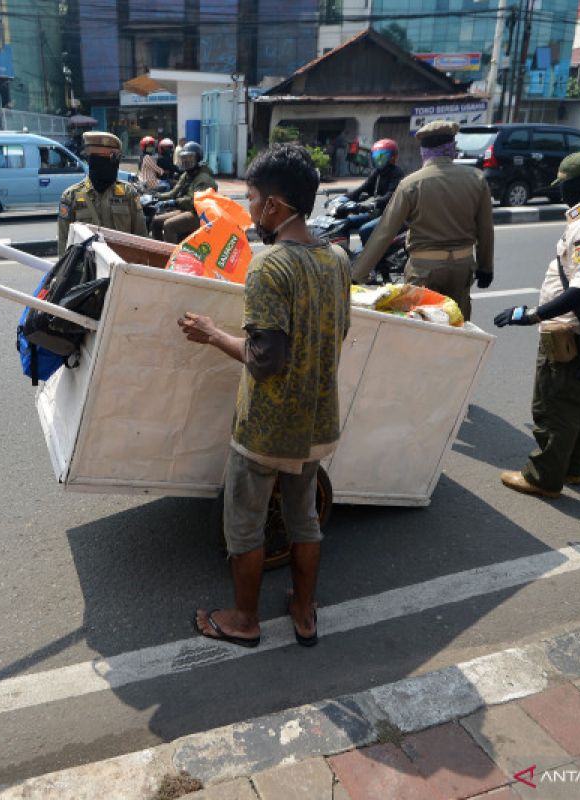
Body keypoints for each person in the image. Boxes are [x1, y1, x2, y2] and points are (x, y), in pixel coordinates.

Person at [177, 143, 352, 650]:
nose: (250, 210)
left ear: (274, 206)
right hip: (317, 423)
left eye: (252, 199)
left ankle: (244, 619)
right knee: (304, 520)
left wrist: (212, 333)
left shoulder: (269, 268)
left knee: (246, 526)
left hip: (266, 429)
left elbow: (264, 358)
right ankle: (303, 611)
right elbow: (334, 334)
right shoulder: (337, 259)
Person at [493, 152, 580, 498]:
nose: (560, 193)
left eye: (564, 186)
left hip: (568, 329)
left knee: (554, 405)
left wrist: (532, 314)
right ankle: (571, 469)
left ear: (579, 184)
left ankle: (543, 477)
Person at [353, 120, 494, 321]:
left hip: (424, 270)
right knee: (459, 328)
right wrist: (485, 267)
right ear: (452, 148)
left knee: (424, 333)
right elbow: (485, 229)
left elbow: (385, 232)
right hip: (462, 267)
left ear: (424, 151)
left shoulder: (411, 183)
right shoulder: (476, 179)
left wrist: (357, 275)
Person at [57, 131, 146, 255]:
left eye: (115, 162)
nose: (113, 167)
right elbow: (64, 245)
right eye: (106, 161)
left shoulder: (128, 194)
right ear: (93, 162)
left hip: (121, 271)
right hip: (87, 272)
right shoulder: (71, 197)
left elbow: (141, 240)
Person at [150, 141, 218, 244]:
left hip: (200, 215)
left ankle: (171, 257)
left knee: (169, 225)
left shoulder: (204, 179)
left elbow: (194, 202)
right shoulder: (187, 175)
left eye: (190, 158)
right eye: (184, 158)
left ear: (198, 158)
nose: (186, 162)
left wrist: (174, 202)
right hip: (186, 209)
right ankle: (159, 252)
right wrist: (156, 197)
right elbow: (173, 193)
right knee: (156, 221)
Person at [345, 138, 406, 247]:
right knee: (346, 222)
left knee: (365, 230)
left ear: (392, 157)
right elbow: (363, 188)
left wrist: (372, 204)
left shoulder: (396, 173)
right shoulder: (377, 173)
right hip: (377, 212)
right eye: (376, 156)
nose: (378, 159)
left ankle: (369, 260)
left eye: (382, 156)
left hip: (390, 215)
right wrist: (344, 199)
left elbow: (390, 195)